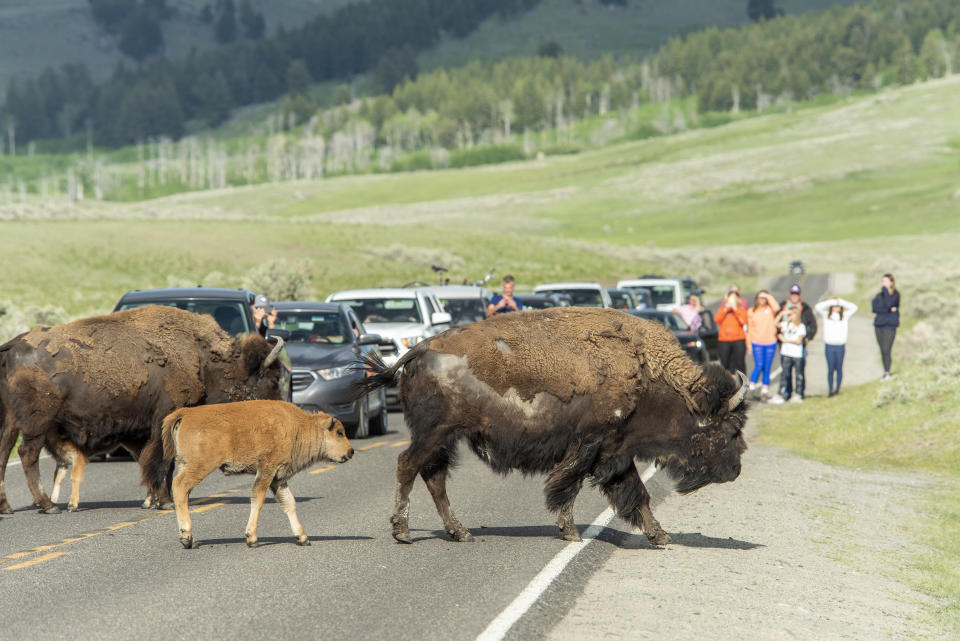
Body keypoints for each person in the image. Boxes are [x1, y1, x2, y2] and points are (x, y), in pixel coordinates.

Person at [778, 284, 817, 400]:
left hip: (799, 344)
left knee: (799, 371)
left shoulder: (805, 307)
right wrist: (778, 336)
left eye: (797, 294)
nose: (794, 296)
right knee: (786, 371)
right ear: (790, 295)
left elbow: (812, 324)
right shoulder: (783, 306)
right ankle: (786, 392)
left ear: (800, 295)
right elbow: (776, 322)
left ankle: (799, 393)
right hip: (785, 345)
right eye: (793, 294)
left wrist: (808, 337)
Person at [814, 296, 858, 396]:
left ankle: (837, 388)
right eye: (834, 306)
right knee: (830, 368)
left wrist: (841, 302)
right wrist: (831, 301)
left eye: (838, 306)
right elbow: (818, 307)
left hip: (840, 345)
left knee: (839, 368)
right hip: (829, 345)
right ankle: (830, 389)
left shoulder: (845, 316)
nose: (836, 307)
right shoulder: (826, 315)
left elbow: (854, 307)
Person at [746, 290, 780, 399]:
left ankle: (764, 391)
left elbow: (777, 307)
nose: (762, 299)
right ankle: (751, 388)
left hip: (770, 342)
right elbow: (749, 329)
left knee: (767, 367)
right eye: (760, 297)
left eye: (764, 297)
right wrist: (749, 344)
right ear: (756, 299)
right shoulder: (751, 311)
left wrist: (768, 296)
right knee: (759, 365)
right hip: (757, 342)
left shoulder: (771, 310)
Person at [769, 307, 807, 404]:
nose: (789, 316)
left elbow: (798, 341)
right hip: (786, 353)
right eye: (788, 314)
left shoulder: (801, 326)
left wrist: (785, 340)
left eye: (791, 314)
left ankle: (798, 394)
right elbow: (774, 323)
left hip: (797, 354)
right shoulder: (786, 324)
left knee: (798, 375)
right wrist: (782, 313)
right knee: (784, 374)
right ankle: (780, 394)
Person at [713, 288, 748, 375]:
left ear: (738, 299)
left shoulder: (741, 310)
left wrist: (735, 309)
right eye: (730, 298)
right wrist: (725, 308)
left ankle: (742, 383)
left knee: (740, 363)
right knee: (725, 363)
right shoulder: (723, 309)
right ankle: (727, 383)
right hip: (724, 340)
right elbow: (717, 319)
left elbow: (744, 321)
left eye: (734, 298)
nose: (732, 300)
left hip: (738, 340)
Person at [871, 273, 899, 380]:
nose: (884, 283)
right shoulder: (879, 295)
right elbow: (875, 308)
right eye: (883, 281)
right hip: (879, 325)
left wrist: (886, 293)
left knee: (887, 349)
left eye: (886, 281)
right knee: (882, 349)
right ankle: (884, 371)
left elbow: (889, 303)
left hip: (890, 326)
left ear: (891, 282)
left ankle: (887, 372)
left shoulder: (895, 295)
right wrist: (887, 310)